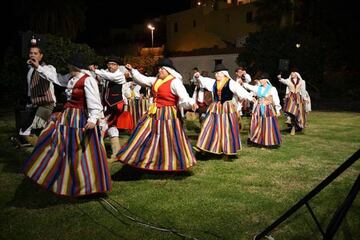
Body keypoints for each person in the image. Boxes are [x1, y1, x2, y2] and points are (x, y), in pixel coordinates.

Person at [22, 53, 111, 197]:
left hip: (79, 118)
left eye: (69, 64)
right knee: (59, 143)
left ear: (74, 65)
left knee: (80, 149)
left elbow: (95, 101)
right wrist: (39, 67)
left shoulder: (87, 80)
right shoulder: (70, 77)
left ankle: (85, 182)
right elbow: (56, 78)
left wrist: (93, 119)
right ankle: (61, 175)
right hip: (67, 116)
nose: (67, 66)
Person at [115, 59, 198, 172]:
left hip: (169, 114)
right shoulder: (155, 80)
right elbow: (142, 79)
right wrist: (132, 70)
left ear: (169, 70)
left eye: (162, 68)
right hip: (154, 111)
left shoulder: (175, 82)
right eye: (159, 68)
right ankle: (146, 159)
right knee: (145, 133)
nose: (160, 70)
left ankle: (172, 163)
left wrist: (191, 103)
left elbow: (184, 96)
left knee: (169, 138)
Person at [193, 63, 253, 159]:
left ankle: (228, 150)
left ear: (224, 74)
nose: (216, 75)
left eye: (218, 73)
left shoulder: (231, 82)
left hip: (227, 108)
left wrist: (250, 97)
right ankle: (205, 148)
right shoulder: (214, 83)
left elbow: (240, 90)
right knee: (209, 126)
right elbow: (204, 81)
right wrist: (199, 76)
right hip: (215, 107)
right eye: (216, 73)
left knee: (227, 128)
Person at [16, 37, 57, 146]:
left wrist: (38, 67)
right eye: (31, 53)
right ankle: (44, 147)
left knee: (33, 129)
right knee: (24, 131)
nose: (32, 55)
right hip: (34, 104)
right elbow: (30, 89)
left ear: (41, 56)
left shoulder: (49, 68)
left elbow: (51, 77)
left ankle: (44, 149)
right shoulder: (30, 71)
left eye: (35, 53)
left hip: (46, 104)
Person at [89, 56, 127, 161]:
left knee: (103, 125)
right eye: (109, 64)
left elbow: (108, 76)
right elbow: (100, 78)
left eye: (113, 64)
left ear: (118, 66)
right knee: (112, 128)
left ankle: (97, 153)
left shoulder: (119, 75)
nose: (111, 66)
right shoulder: (106, 73)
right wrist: (93, 72)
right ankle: (116, 153)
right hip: (108, 105)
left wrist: (95, 70)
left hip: (116, 106)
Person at [243, 73, 282, 147]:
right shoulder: (258, 88)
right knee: (257, 124)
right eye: (260, 79)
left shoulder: (272, 89)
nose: (260, 80)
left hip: (268, 108)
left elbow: (276, 99)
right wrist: (244, 83)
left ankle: (268, 141)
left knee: (268, 124)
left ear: (266, 80)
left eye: (262, 79)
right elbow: (249, 87)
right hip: (258, 109)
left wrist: (278, 110)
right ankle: (257, 140)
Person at [278, 70, 309, 135]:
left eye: (293, 73)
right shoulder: (288, 80)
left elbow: (303, 90)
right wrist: (280, 78)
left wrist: (304, 98)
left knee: (298, 111)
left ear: (297, 74)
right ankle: (288, 118)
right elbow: (283, 81)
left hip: (298, 97)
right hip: (290, 96)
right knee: (289, 107)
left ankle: (294, 126)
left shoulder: (302, 82)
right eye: (291, 73)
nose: (292, 74)